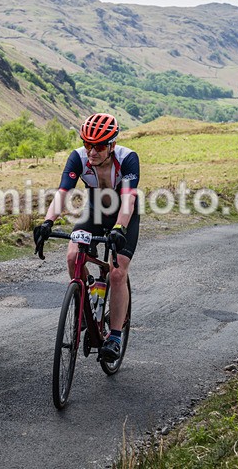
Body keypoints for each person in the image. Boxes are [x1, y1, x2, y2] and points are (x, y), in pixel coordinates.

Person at [34, 113, 139, 363]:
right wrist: (48, 221)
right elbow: (62, 193)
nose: (92, 151)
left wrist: (120, 229)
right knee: (73, 256)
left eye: (99, 146)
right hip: (94, 211)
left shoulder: (127, 159)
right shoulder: (78, 157)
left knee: (116, 273)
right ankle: (85, 301)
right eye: (87, 144)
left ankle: (114, 336)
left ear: (112, 145)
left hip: (123, 215)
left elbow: (129, 201)